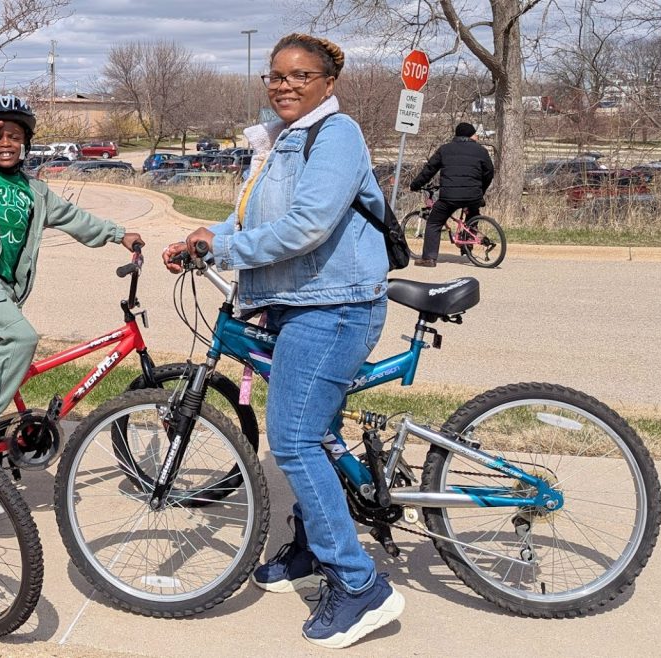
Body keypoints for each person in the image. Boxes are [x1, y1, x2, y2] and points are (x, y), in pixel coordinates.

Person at [163, 33, 403, 649]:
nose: (285, 85)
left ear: (329, 81)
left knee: (292, 438)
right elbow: (253, 220)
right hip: (298, 303)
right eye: (275, 76)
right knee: (313, 432)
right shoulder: (279, 141)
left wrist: (224, 248)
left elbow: (308, 224)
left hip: (336, 306)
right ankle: (311, 549)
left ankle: (359, 585)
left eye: (300, 75)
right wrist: (203, 236)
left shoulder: (337, 135)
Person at [0, 95, 143, 451]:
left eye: (15, 137)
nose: (6, 143)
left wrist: (118, 234)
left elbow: (77, 219)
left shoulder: (37, 191)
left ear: (26, 144)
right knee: (21, 339)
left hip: (4, 292)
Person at [408, 122, 494, 267]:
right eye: (475, 134)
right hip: (473, 195)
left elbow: (429, 170)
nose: (477, 137)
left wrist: (415, 185)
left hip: (450, 196)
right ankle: (468, 245)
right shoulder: (481, 151)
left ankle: (428, 258)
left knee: (434, 222)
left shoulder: (445, 149)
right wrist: (480, 191)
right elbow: (489, 172)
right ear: (470, 135)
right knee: (472, 213)